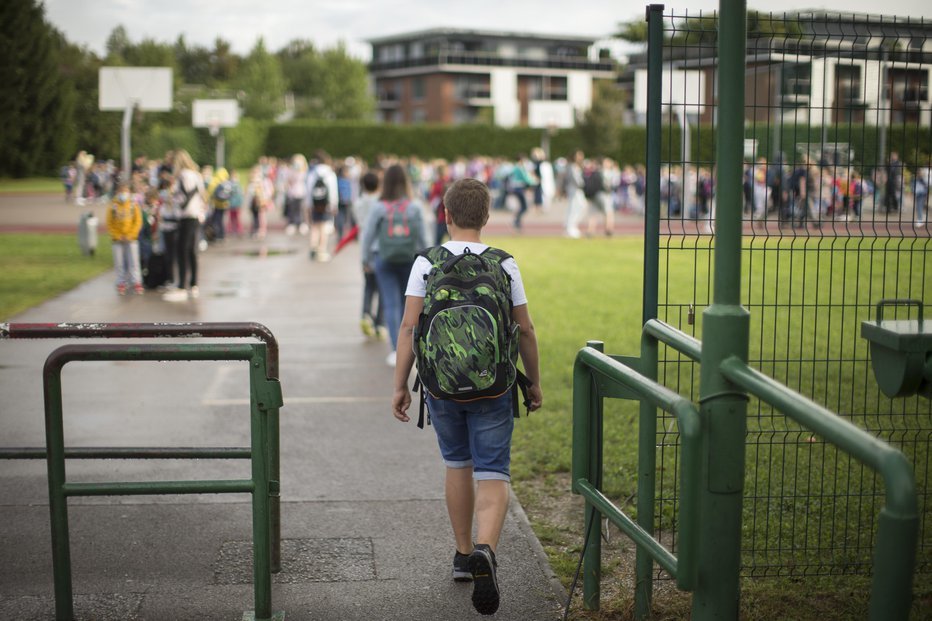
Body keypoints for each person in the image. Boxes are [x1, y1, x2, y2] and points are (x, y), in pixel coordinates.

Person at [391, 178, 543, 616]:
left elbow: (408, 327)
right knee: (493, 470)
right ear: (487, 217)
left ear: (447, 215)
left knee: (457, 462)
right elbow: (526, 329)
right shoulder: (505, 264)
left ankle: (462, 556)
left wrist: (401, 384)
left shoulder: (426, 262)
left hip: (440, 384)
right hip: (493, 384)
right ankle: (486, 551)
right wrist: (533, 382)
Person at [360, 163, 427, 366]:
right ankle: (411, 350)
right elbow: (424, 238)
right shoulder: (414, 207)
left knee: (391, 304)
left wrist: (366, 260)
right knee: (409, 306)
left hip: (384, 258)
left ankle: (396, 350)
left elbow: (368, 235)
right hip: (409, 259)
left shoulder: (379, 207)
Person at [163, 149, 206, 301]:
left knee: (182, 250)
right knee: (191, 251)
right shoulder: (196, 175)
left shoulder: (183, 175)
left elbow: (182, 197)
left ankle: (182, 285)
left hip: (186, 216)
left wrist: (172, 199)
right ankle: (193, 284)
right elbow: (201, 195)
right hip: (195, 215)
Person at [352, 171, 386, 339]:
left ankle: (366, 314)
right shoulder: (381, 203)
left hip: (365, 247)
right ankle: (380, 323)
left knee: (368, 286)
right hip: (380, 249)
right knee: (382, 289)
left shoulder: (358, 203)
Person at [106, 180, 144, 295]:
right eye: (121, 190)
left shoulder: (133, 204)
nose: (123, 193)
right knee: (119, 262)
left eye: (125, 190)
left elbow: (138, 221)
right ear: (117, 191)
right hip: (117, 239)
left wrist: (130, 235)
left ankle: (136, 282)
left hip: (131, 238)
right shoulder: (113, 205)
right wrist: (118, 235)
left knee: (134, 262)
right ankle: (121, 282)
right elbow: (110, 222)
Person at [306, 151, 339, 261]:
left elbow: (309, 190)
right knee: (324, 227)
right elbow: (333, 191)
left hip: (315, 204)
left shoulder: (312, 173)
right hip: (326, 204)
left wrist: (308, 205)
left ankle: (313, 247)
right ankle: (322, 249)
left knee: (315, 226)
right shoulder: (330, 173)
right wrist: (334, 205)